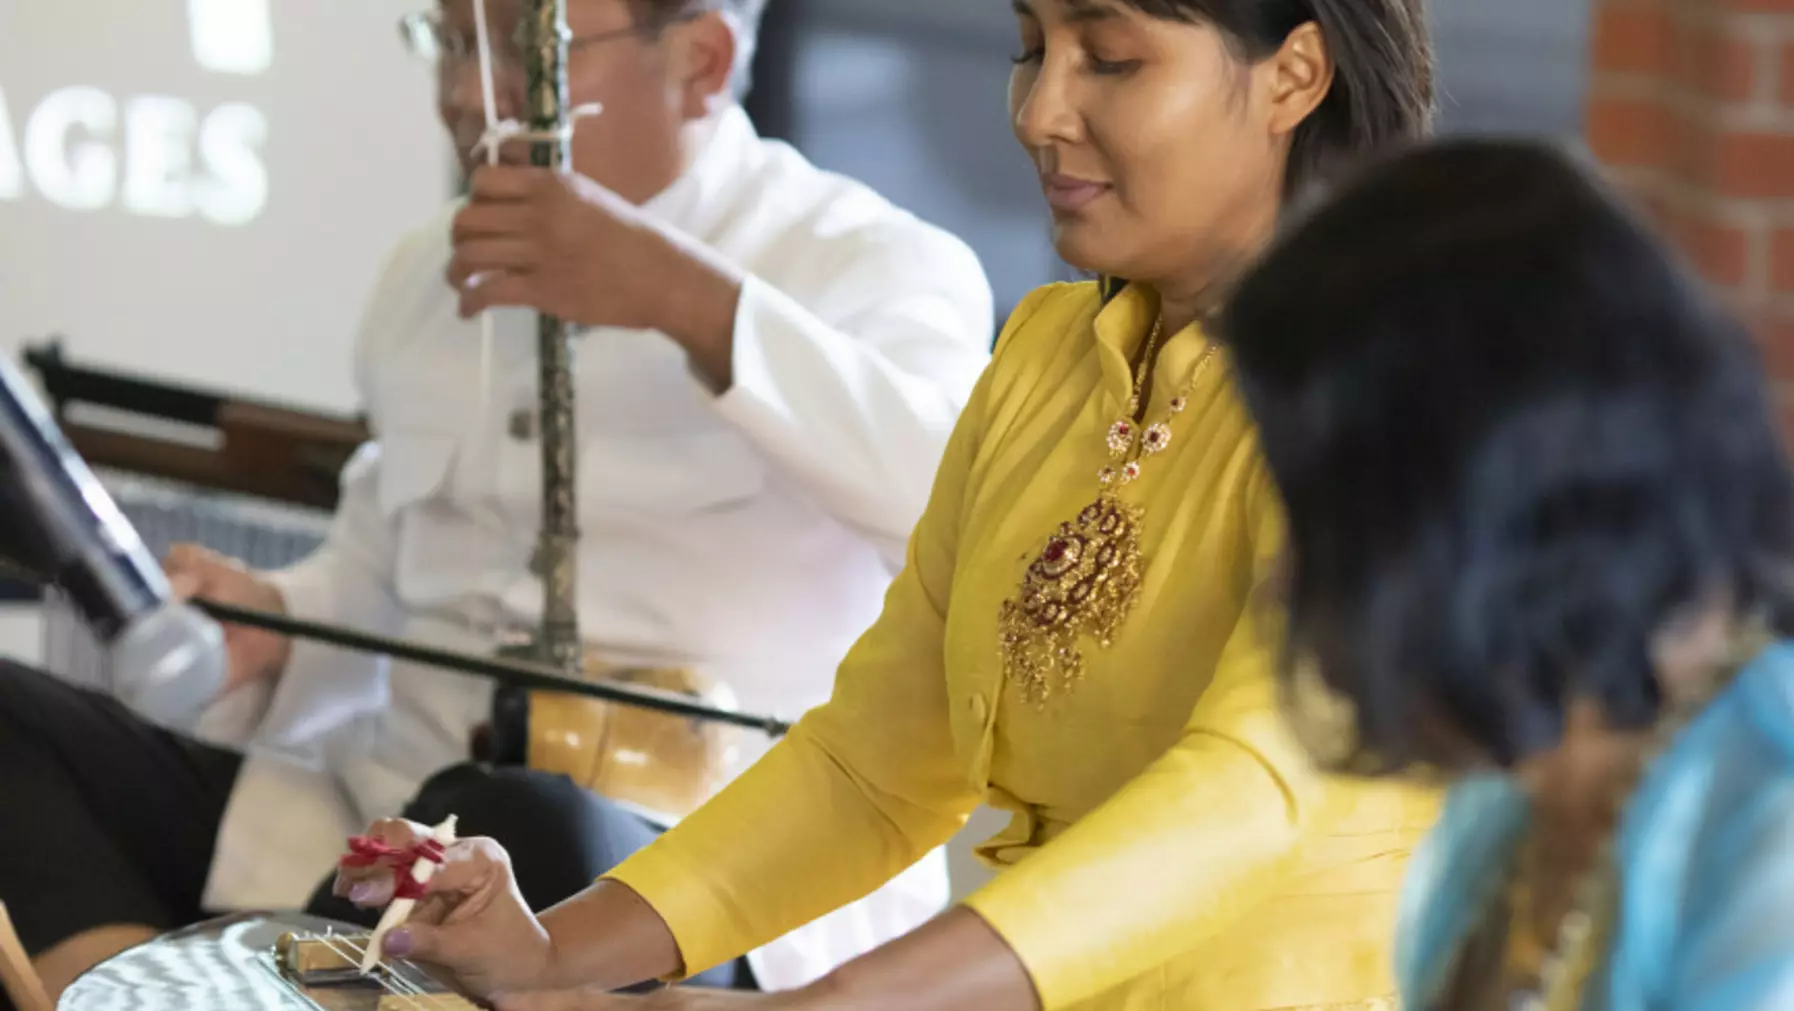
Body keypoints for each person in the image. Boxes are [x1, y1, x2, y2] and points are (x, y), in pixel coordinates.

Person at [334, 1, 1440, 1008]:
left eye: (1110, 59)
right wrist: (552, 955)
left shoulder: (1396, 387)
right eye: (1029, 50)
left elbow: (1246, 797)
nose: (1041, 111)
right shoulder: (1049, 358)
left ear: (1296, 74)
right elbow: (875, 765)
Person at [0, 0, 995, 1001]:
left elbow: (958, 515)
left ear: (699, 60)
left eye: (525, 52)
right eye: (447, 40)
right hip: (379, 834)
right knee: (18, 720)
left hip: (675, 872)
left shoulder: (873, 262)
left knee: (518, 832)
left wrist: (686, 299)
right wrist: (285, 626)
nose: (467, 94)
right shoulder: (422, 275)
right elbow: (375, 583)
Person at [1222, 138, 1794, 1010]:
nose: (1288, 578)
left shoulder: (1768, 828)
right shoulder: (1519, 781)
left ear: (1469, 504)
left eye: (1321, 516)